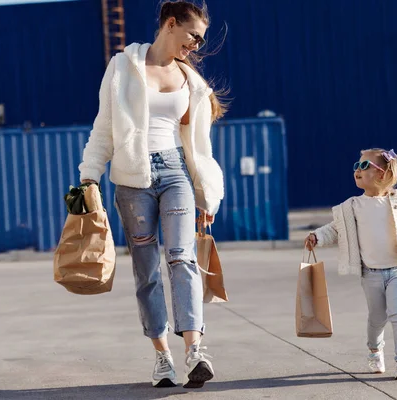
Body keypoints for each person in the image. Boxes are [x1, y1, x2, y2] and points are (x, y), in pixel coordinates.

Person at [78, 0, 227, 389]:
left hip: (175, 172)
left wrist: (205, 194)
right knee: (146, 271)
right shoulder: (123, 67)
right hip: (131, 181)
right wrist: (88, 177)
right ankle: (162, 357)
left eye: (201, 39)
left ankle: (195, 350)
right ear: (170, 24)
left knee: (182, 257)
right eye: (193, 35)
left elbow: (199, 147)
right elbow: (104, 129)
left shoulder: (191, 82)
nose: (197, 44)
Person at [305, 148, 397, 380]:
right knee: (377, 318)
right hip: (370, 274)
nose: (357, 170)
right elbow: (335, 229)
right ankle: (375, 350)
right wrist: (317, 237)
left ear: (382, 174)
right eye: (356, 166)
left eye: (364, 166)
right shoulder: (352, 206)